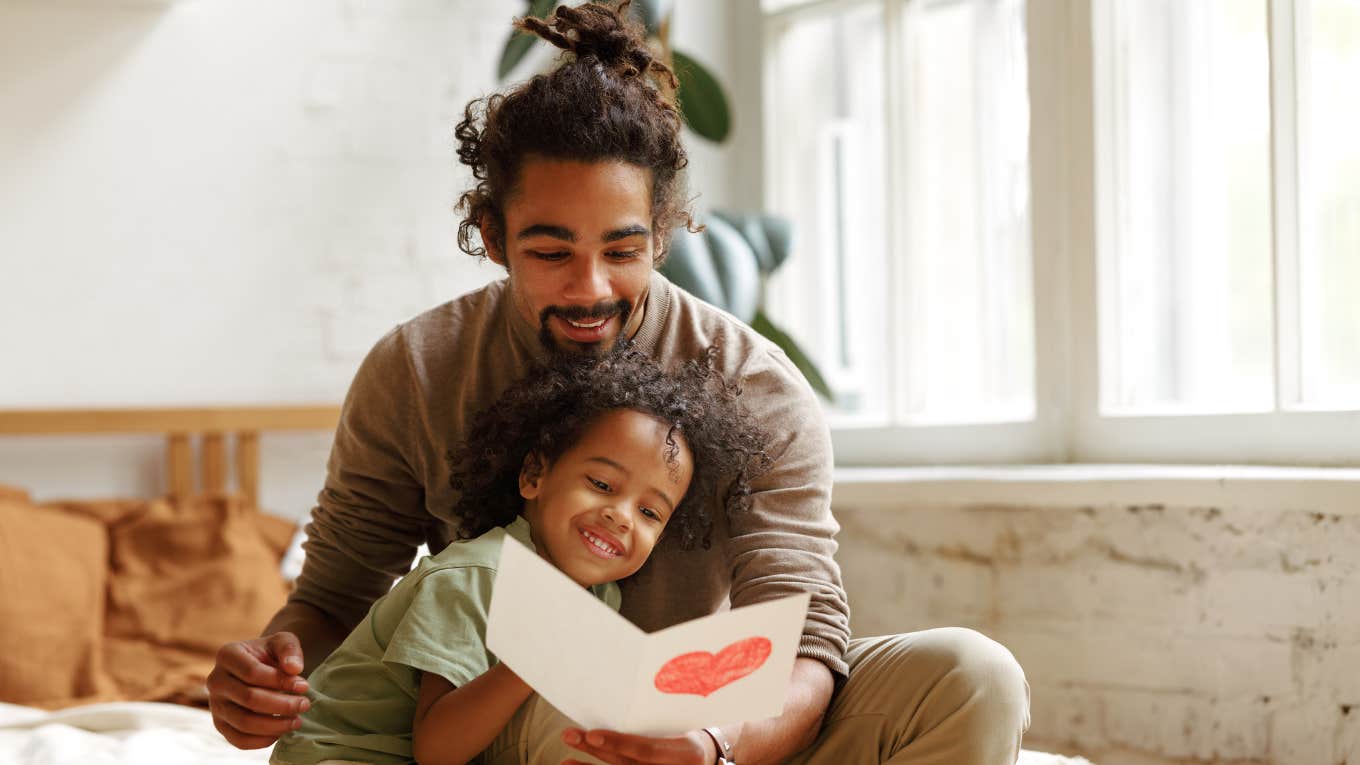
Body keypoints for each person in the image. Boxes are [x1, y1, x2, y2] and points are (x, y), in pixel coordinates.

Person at [208, 2, 1031, 763]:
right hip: (512, 716)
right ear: (492, 236)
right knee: (574, 693)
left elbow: (804, 636)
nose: (592, 287)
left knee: (972, 674)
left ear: (664, 235)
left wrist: (714, 742)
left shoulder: (757, 386)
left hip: (718, 722)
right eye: (552, 251)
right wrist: (270, 669)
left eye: (623, 249)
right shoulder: (418, 370)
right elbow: (336, 594)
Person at [268, 347, 768, 765]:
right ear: (534, 476)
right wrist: (534, 662)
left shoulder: (601, 598)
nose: (621, 517)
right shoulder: (475, 576)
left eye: (650, 513)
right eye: (600, 484)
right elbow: (437, 748)